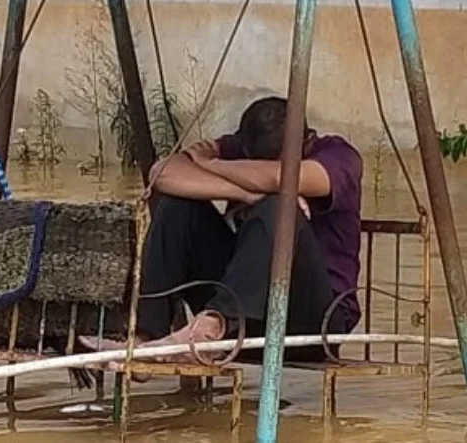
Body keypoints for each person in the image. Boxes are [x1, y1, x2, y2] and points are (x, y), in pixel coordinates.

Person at [81, 96, 363, 368]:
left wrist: (212, 166)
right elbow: (162, 173)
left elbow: (282, 178)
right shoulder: (237, 149)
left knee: (279, 205)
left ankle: (211, 326)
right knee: (179, 205)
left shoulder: (338, 156)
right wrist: (243, 192)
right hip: (245, 320)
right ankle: (146, 338)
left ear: (306, 142)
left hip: (313, 325)